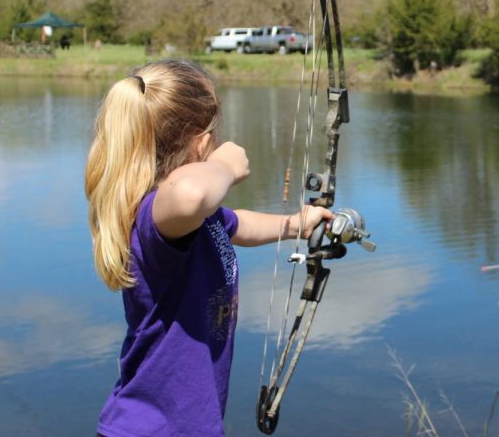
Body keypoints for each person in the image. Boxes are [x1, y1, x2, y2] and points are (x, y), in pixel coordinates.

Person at [85, 59, 332, 436]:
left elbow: (237, 224)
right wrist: (225, 166)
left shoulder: (197, 221)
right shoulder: (156, 217)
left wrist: (294, 224)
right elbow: (191, 192)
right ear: (201, 139)